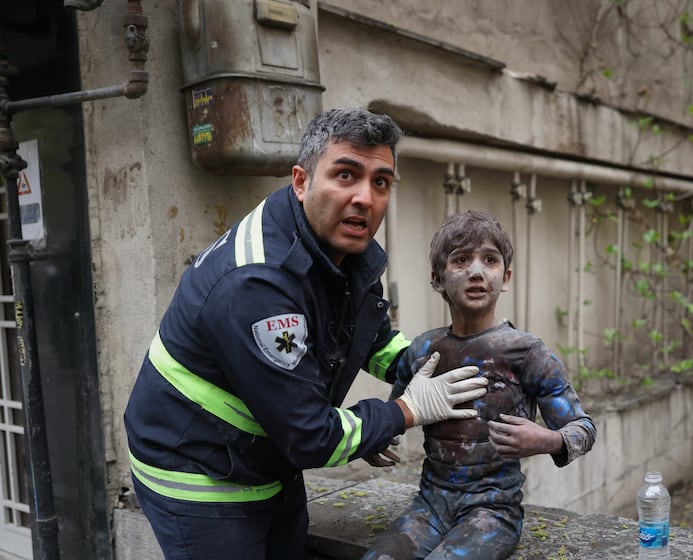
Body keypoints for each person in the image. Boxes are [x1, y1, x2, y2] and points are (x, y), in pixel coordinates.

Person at [123, 107, 489, 560]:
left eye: (380, 181)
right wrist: (404, 411)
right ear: (301, 182)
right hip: (197, 470)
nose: (365, 198)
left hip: (268, 452)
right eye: (346, 175)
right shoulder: (258, 285)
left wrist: (426, 360)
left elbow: (366, 336)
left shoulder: (343, 247)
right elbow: (311, 436)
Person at [361, 210, 597, 560]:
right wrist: (372, 437)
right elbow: (396, 413)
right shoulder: (424, 349)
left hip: (493, 512)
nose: (476, 271)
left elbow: (585, 428)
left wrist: (548, 440)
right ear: (437, 278)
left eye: (489, 260)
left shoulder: (525, 350)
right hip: (430, 504)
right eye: (461, 260)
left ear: (505, 277)